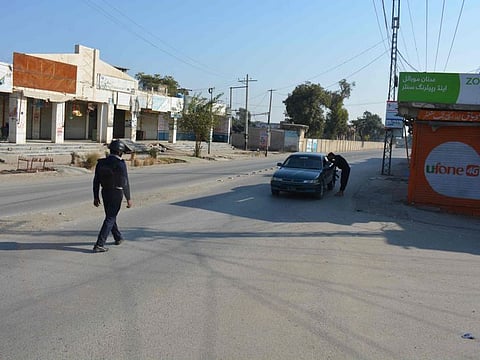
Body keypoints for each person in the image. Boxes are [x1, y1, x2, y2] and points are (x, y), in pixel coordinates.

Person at [92, 139, 133, 253]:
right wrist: (128, 198)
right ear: (120, 152)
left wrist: (96, 197)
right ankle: (99, 244)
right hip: (116, 192)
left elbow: (96, 181)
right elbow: (125, 182)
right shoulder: (120, 164)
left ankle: (117, 237)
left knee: (110, 215)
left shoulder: (101, 163)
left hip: (104, 192)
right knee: (110, 217)